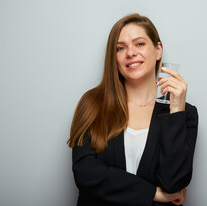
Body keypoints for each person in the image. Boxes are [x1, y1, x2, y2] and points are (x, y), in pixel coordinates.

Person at [67, 13, 198, 206]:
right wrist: (152, 192)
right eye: (121, 48)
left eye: (139, 44)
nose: (130, 53)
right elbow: (85, 173)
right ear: (114, 57)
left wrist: (176, 110)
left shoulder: (184, 114)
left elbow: (173, 183)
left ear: (158, 49)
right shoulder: (93, 104)